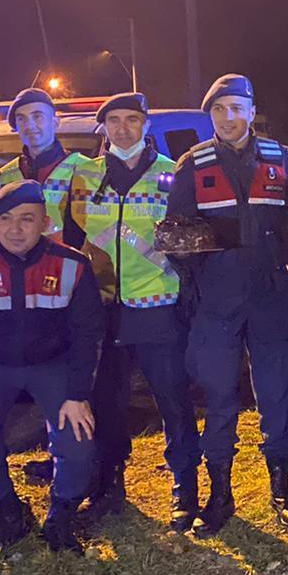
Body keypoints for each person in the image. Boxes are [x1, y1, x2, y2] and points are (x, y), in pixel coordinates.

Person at [167, 74, 288, 536]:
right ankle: (220, 494)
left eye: (236, 108)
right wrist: (198, 279)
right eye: (218, 110)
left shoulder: (284, 159)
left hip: (271, 296)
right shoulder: (192, 164)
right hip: (217, 301)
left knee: (275, 397)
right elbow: (177, 234)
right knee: (219, 399)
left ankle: (282, 491)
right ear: (210, 115)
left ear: (252, 111)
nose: (228, 118)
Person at [0, 180, 102, 554]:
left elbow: (88, 334)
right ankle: (8, 514)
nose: (15, 229)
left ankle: (62, 515)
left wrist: (78, 395)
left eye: (26, 219)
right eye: (5, 219)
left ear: (45, 222)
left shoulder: (73, 265)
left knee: (78, 441)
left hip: (52, 365)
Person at [64, 92, 201, 529]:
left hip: (157, 304)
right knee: (106, 400)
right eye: (114, 120)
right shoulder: (84, 176)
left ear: (145, 125)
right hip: (101, 307)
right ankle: (109, 484)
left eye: (132, 120)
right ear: (102, 127)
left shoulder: (171, 174)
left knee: (172, 399)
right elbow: (72, 239)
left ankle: (185, 484)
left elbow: (189, 241)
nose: (123, 129)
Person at [0, 87, 91, 236]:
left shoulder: (85, 169)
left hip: (68, 258)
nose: (29, 125)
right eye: (21, 119)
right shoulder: (4, 175)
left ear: (55, 122)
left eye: (37, 116)